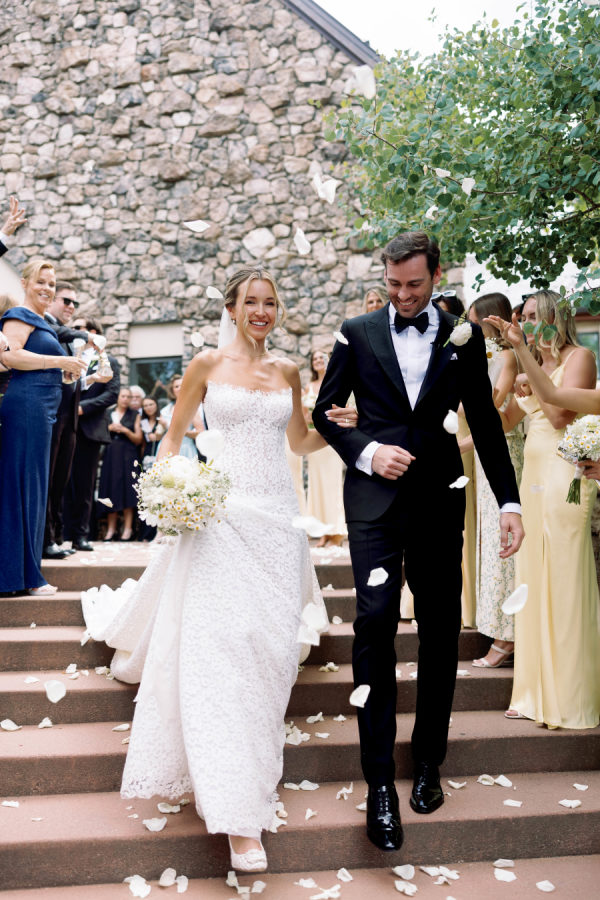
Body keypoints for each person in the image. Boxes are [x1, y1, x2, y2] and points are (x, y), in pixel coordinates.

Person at [80, 266, 356, 873]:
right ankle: (236, 813)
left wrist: (335, 430)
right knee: (223, 654)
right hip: (220, 519)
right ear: (231, 308)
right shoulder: (206, 364)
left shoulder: (287, 371)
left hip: (276, 525)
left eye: (270, 302)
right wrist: (172, 492)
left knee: (269, 654)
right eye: (250, 301)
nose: (261, 311)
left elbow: (299, 441)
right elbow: (173, 437)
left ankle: (251, 762)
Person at [312, 231, 523, 852]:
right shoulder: (356, 331)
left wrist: (510, 503)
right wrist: (368, 451)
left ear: (435, 276)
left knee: (439, 627)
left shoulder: (464, 337)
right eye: (393, 285)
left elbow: (484, 422)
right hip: (372, 499)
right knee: (374, 621)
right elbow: (326, 412)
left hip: (438, 496)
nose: (403, 296)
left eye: (414, 285)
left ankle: (429, 759)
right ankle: (378, 781)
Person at [489, 291, 599, 728]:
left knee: (564, 581)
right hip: (532, 481)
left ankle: (569, 695)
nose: (528, 323)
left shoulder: (579, 358)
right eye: (525, 316)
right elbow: (503, 422)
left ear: (557, 316)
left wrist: (523, 363)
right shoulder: (530, 366)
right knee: (531, 581)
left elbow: (557, 415)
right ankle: (532, 691)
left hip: (564, 478)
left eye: (536, 315)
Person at [0, 259, 86, 596]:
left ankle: (24, 574)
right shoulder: (19, 315)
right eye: (41, 281)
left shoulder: (42, 322)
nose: (48, 288)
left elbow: (37, 364)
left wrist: (62, 374)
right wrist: (60, 361)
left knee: (34, 489)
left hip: (43, 410)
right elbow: (10, 357)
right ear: (24, 283)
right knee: (24, 487)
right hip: (26, 408)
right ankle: (22, 577)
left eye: (52, 283)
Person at [463, 294, 524, 668]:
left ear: (489, 320)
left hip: (507, 452)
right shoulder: (485, 356)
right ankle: (498, 628)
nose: (469, 329)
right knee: (489, 540)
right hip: (485, 452)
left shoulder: (507, 357)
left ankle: (507, 635)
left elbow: (493, 403)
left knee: (501, 544)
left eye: (474, 321)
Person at [43, 282, 92, 559]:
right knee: (48, 478)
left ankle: (57, 536)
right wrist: (83, 334)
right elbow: (57, 333)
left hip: (69, 417)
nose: (71, 307)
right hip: (50, 415)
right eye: (66, 300)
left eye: (75, 303)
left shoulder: (67, 335)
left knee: (60, 479)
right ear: (51, 300)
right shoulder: (45, 325)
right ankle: (46, 540)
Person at [64, 319, 120, 551]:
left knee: (85, 485)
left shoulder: (109, 361)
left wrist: (82, 408)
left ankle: (80, 535)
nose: (73, 331)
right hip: (65, 426)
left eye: (79, 328)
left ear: (93, 332)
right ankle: (60, 535)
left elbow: (112, 394)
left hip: (90, 428)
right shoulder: (69, 358)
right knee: (63, 483)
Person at [303, 350, 347, 547]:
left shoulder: (334, 382)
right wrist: (311, 416)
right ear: (312, 364)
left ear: (328, 361)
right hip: (314, 438)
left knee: (332, 483)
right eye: (315, 359)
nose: (318, 361)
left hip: (330, 440)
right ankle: (322, 531)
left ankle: (336, 532)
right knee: (316, 485)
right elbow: (304, 415)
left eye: (321, 357)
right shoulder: (309, 387)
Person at [98, 387, 143, 541]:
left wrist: (125, 430)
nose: (126, 399)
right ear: (117, 397)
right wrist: (109, 428)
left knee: (128, 491)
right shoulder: (108, 413)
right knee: (111, 490)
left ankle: (127, 529)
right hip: (111, 454)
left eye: (129, 397)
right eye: (123, 396)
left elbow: (138, 439)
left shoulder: (135, 414)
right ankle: (111, 530)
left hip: (128, 454)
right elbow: (98, 433)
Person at [158, 373, 204, 460]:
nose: (180, 388)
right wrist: (160, 428)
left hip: (185, 449)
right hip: (165, 449)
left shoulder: (192, 407)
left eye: (182, 385)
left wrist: (182, 431)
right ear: (172, 390)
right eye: (176, 386)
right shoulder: (165, 410)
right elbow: (158, 435)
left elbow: (200, 432)